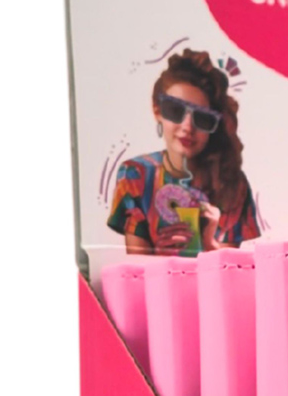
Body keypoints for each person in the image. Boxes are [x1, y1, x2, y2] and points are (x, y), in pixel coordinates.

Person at [108, 49, 258, 255]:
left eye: (202, 118)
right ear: (157, 110)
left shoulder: (232, 183)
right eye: (175, 110)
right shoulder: (135, 175)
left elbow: (229, 271)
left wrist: (209, 243)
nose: (188, 127)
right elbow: (136, 264)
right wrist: (160, 257)